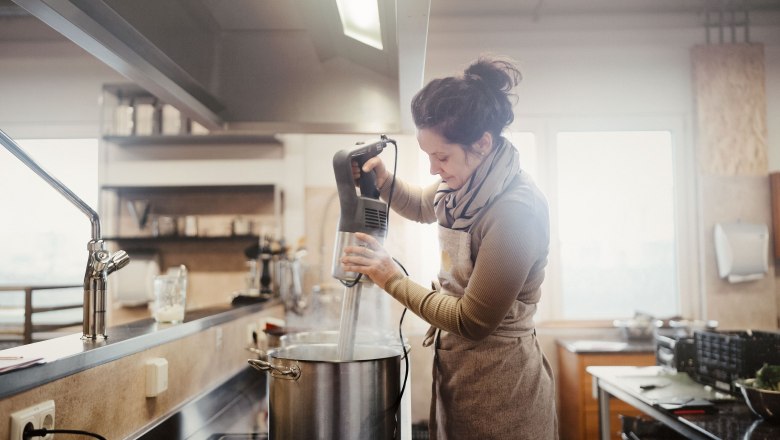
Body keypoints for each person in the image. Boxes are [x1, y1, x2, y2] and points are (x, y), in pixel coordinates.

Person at [340, 55, 558, 439]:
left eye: (441, 157)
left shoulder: (514, 212)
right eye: (428, 156)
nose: (432, 169)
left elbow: (471, 321)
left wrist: (390, 277)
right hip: (460, 372)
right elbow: (424, 204)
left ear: (483, 143)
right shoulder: (465, 185)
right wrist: (385, 180)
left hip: (503, 388)